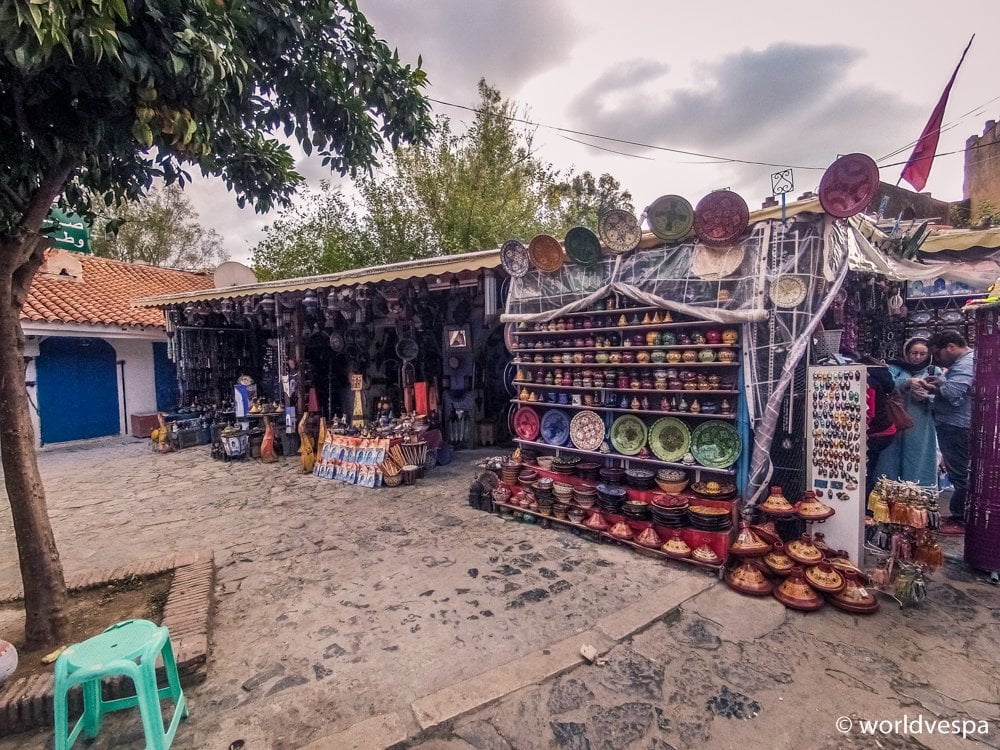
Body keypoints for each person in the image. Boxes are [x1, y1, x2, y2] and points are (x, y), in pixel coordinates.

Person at [922, 330, 975, 534]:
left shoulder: (965, 364)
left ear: (951, 347)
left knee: (961, 473)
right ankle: (960, 515)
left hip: (956, 426)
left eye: (938, 354)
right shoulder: (964, 363)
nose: (937, 359)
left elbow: (954, 392)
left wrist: (935, 386)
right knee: (960, 472)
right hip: (955, 424)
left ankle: (961, 519)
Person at [874, 338, 939, 486]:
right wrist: (907, 383)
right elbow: (885, 385)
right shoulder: (894, 368)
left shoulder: (933, 371)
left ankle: (916, 495)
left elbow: (943, 397)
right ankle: (888, 497)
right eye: (914, 353)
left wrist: (927, 397)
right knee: (890, 458)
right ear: (906, 353)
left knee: (918, 457)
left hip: (921, 423)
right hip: (895, 420)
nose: (917, 357)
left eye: (922, 354)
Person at [860, 356, 897, 500]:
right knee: (869, 468)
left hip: (877, 432)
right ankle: (867, 505)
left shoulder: (869, 380)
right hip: (884, 430)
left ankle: (866, 507)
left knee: (866, 470)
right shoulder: (879, 377)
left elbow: (869, 413)